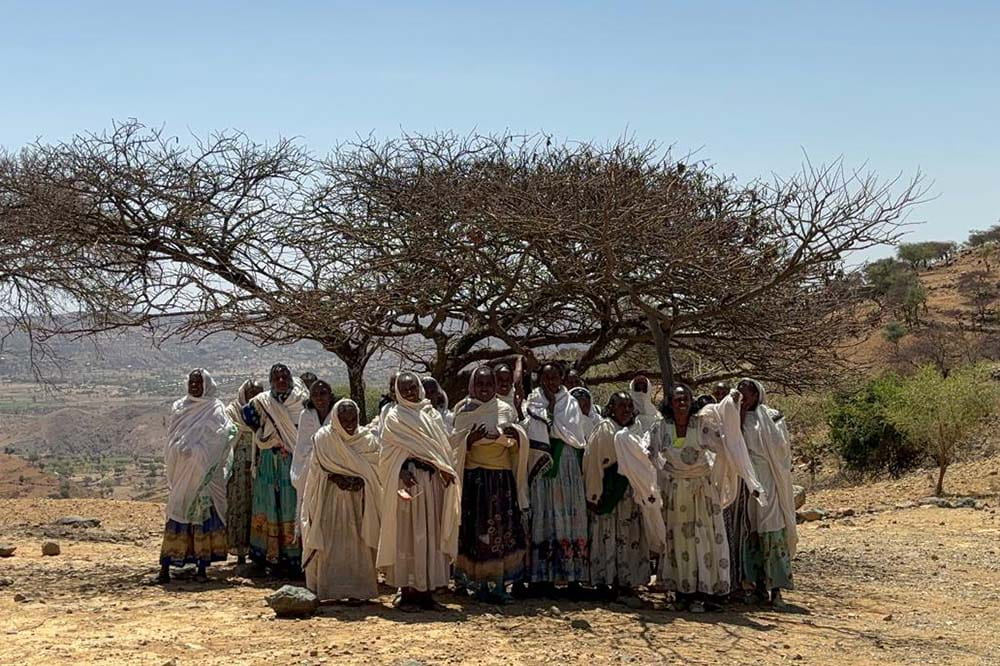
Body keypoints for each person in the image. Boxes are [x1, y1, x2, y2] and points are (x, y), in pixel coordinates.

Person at [649, 384, 764, 613]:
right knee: (681, 540)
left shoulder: (701, 426)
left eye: (686, 399)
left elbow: (724, 448)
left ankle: (705, 592)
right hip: (677, 491)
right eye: (677, 400)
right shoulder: (661, 428)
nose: (682, 404)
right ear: (669, 404)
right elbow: (649, 453)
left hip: (703, 491)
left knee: (705, 538)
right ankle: (683, 592)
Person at [376, 371, 461, 612]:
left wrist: (443, 469)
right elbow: (386, 454)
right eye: (405, 390)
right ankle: (406, 591)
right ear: (398, 393)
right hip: (408, 482)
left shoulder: (431, 415)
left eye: (413, 387)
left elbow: (441, 448)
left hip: (432, 482)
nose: (410, 392)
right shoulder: (394, 418)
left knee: (430, 534)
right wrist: (401, 470)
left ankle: (427, 593)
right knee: (408, 536)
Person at [452, 366, 530, 603]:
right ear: (472, 386)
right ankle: (475, 584)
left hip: (500, 481)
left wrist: (514, 437)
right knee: (475, 532)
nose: (484, 389)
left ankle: (497, 585)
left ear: (496, 386)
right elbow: (454, 444)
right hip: (475, 481)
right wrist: (469, 440)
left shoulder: (506, 410)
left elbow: (516, 443)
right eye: (480, 384)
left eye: (489, 384)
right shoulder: (463, 410)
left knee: (500, 533)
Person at [583, 392, 665, 599]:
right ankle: (605, 581)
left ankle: (627, 581)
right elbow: (592, 462)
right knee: (608, 536)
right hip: (609, 492)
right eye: (622, 406)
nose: (627, 410)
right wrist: (594, 494)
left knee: (631, 537)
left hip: (631, 492)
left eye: (629, 406)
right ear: (612, 408)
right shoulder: (604, 429)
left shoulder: (636, 429)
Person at [301, 399, 382, 602]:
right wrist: (336, 477)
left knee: (359, 544)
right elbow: (317, 470)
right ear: (336, 418)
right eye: (344, 420)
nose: (349, 424)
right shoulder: (324, 438)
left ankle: (359, 591)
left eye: (353, 419)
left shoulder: (367, 440)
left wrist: (360, 481)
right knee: (332, 543)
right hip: (330, 498)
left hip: (360, 501)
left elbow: (376, 470)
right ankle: (332, 590)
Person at [158, 369, 234, 584]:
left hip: (204, 477)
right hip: (182, 471)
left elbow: (223, 437)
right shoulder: (179, 407)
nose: (194, 386)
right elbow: (171, 438)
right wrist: (180, 449)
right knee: (176, 513)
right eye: (191, 382)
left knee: (203, 519)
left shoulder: (216, 409)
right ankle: (165, 568)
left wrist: (198, 451)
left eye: (198, 382)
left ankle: (202, 569)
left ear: (207, 384)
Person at [522, 362, 590, 594]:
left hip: (567, 466)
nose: (551, 382)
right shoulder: (532, 401)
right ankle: (543, 579)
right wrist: (548, 408)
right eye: (546, 378)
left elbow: (574, 434)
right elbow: (532, 430)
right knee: (545, 517)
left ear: (561, 378)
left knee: (569, 517)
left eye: (555, 377)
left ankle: (572, 578)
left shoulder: (570, 402)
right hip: (543, 466)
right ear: (540, 379)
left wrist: (552, 411)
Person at [241, 363, 308, 573]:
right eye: (276, 377)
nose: (281, 381)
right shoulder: (262, 402)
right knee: (267, 504)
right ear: (270, 381)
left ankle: (294, 558)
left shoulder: (303, 400)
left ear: (291, 377)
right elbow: (247, 416)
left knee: (292, 504)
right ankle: (268, 557)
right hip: (270, 460)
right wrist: (267, 437)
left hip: (294, 461)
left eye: (284, 376)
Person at [735, 378, 797, 608]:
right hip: (744, 480)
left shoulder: (771, 416)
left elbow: (780, 448)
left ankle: (777, 589)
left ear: (756, 394)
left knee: (771, 530)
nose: (744, 398)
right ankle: (755, 585)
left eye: (748, 393)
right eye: (740, 394)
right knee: (750, 531)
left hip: (768, 479)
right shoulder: (734, 417)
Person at [223, 378, 263, 565]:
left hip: (261, 464)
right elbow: (226, 437)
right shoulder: (232, 412)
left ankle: (258, 550)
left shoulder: (266, 412)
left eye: (257, 393)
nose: (254, 397)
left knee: (259, 507)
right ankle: (239, 552)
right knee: (239, 506)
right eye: (250, 393)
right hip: (238, 466)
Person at [291, 380, 335, 538]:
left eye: (323, 393)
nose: (319, 398)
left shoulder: (338, 412)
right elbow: (302, 446)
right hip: (310, 472)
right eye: (315, 395)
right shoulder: (306, 415)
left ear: (330, 395)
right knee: (310, 513)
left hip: (336, 470)